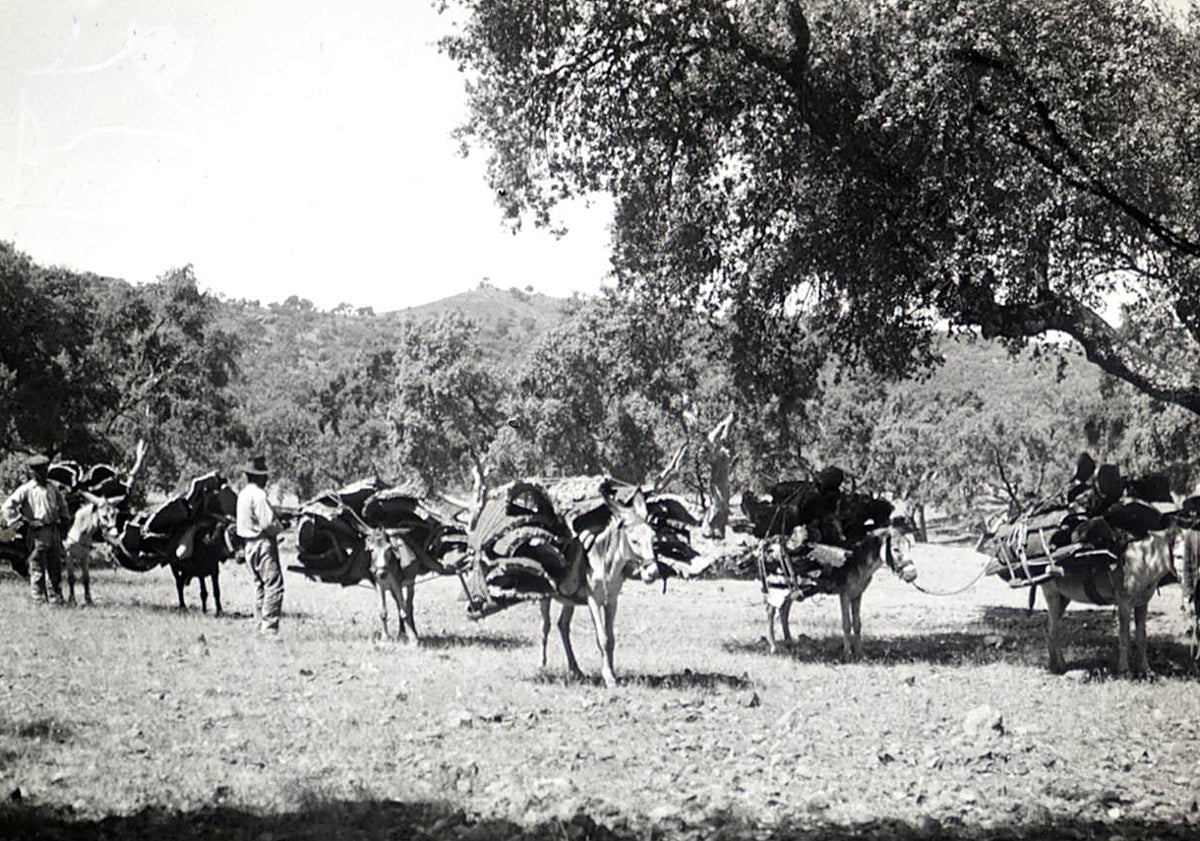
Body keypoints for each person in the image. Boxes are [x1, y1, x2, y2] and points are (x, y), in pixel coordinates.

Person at [2, 454, 71, 604]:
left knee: (55, 567)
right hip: (37, 533)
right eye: (39, 470)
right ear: (32, 472)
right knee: (37, 567)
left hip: (54, 531)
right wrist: (23, 521)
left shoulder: (53, 487)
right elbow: (7, 507)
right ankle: (39, 599)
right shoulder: (26, 489)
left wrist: (65, 519)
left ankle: (56, 598)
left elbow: (63, 505)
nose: (43, 473)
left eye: (45, 469)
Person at [236, 455, 284, 635]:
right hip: (262, 544)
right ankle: (269, 629)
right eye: (264, 476)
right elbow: (268, 523)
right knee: (273, 585)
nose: (267, 479)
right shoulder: (259, 495)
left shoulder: (242, 495)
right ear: (258, 477)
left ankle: (259, 624)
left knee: (259, 586)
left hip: (248, 545)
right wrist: (281, 526)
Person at [702, 411, 736, 540]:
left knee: (723, 508)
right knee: (720, 506)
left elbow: (724, 435)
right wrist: (727, 422)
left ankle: (719, 532)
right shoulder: (717, 454)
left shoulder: (722, 454)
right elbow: (720, 436)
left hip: (723, 485)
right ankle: (709, 528)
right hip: (718, 485)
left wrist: (728, 422)